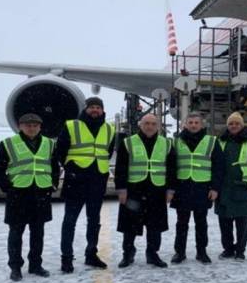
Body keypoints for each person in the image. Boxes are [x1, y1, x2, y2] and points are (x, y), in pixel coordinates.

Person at [0, 113, 60, 281]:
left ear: (40, 127)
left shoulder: (49, 144)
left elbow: (54, 166)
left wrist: (53, 184)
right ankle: (15, 267)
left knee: (38, 233)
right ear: (20, 126)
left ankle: (35, 265)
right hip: (18, 193)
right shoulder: (8, 144)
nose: (32, 128)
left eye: (35, 125)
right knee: (16, 232)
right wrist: (7, 188)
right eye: (28, 125)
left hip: (41, 192)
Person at [54, 97, 116, 273]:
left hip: (98, 179)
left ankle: (91, 254)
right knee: (70, 221)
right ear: (86, 109)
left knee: (94, 220)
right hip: (76, 179)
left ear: (102, 110)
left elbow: (108, 152)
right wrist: (72, 168)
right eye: (92, 107)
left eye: (98, 107)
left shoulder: (109, 128)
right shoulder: (72, 125)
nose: (95, 110)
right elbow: (60, 150)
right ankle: (66, 258)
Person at [114, 114, 176, 268]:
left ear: (158, 126)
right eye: (146, 123)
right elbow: (120, 168)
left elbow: (172, 169)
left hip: (157, 190)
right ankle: (128, 254)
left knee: (155, 225)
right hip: (134, 190)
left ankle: (152, 254)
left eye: (153, 124)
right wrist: (121, 189)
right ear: (140, 125)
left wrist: (170, 190)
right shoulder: (128, 142)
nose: (149, 127)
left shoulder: (167, 143)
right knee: (130, 225)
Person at [169, 112, 224, 265]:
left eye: (196, 123)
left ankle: (202, 252)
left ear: (202, 125)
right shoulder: (176, 142)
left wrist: (215, 188)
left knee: (201, 223)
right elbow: (172, 167)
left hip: (202, 187)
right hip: (182, 187)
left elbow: (219, 167)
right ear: (185, 124)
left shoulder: (212, 141)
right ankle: (179, 252)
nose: (193, 125)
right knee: (181, 223)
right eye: (190, 122)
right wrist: (171, 189)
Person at [215, 112, 247, 261]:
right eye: (231, 123)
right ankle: (228, 249)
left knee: (242, 222)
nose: (234, 126)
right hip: (224, 188)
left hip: (243, 188)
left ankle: (240, 251)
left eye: (237, 123)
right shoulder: (220, 142)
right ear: (227, 125)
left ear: (242, 125)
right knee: (224, 221)